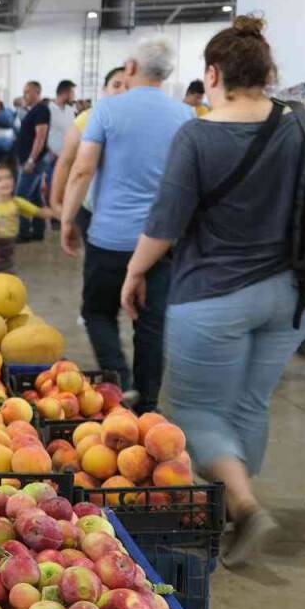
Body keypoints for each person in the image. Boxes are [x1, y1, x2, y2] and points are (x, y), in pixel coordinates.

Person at [120, 16, 304, 566]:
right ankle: (231, 500)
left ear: (214, 72)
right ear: (267, 73)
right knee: (249, 400)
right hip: (290, 296)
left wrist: (133, 273)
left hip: (214, 297)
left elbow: (165, 223)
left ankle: (244, 506)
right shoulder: (299, 127)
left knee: (196, 409)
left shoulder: (199, 135)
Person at [60, 35, 195, 411]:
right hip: (159, 241)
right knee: (151, 324)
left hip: (109, 238)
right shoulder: (185, 116)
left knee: (98, 311)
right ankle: (147, 404)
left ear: (131, 68)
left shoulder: (107, 111)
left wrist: (68, 219)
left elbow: (82, 169)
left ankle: (119, 383)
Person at [50, 66, 128, 236]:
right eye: (116, 85)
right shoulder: (87, 119)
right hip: (93, 210)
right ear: (104, 90)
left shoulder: (141, 122)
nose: (122, 91)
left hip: (131, 214)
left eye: (128, 87)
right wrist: (56, 201)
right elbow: (67, 161)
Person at [0, 164, 54, 273]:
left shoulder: (17, 202)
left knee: (7, 276)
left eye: (8, 177)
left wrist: (58, 212)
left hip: (8, 251)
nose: (5, 182)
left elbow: (39, 212)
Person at [13, 82, 51, 241]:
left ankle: (24, 232)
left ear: (37, 92)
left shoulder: (41, 109)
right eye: (23, 92)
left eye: (27, 92)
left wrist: (30, 160)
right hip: (30, 160)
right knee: (35, 198)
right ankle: (38, 230)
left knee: (20, 197)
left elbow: (40, 137)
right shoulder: (33, 110)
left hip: (33, 162)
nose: (24, 95)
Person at [45, 79, 76, 195]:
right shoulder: (48, 109)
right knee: (52, 186)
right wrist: (49, 150)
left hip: (68, 155)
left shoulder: (70, 110)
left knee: (65, 187)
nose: (74, 96)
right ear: (64, 93)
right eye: (72, 93)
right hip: (52, 156)